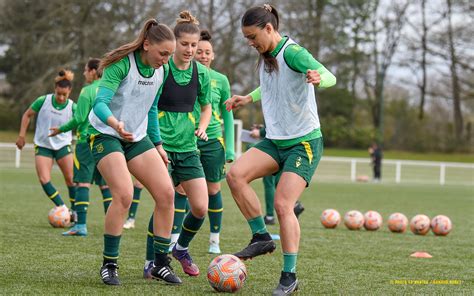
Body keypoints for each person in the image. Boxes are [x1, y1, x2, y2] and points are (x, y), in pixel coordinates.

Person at [224, 4, 336, 295]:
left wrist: (318, 78)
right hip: (276, 140)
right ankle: (261, 236)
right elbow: (273, 85)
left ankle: (289, 276)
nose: (250, 43)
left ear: (269, 29)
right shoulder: (266, 55)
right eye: (246, 38)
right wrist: (248, 98)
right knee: (235, 175)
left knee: (284, 205)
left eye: (252, 36)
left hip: (303, 143)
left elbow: (328, 75)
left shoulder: (293, 53)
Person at [88, 19, 181, 286]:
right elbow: (100, 104)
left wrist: (159, 145)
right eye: (162, 53)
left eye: (169, 55)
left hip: (136, 137)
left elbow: (150, 109)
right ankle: (109, 264)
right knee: (125, 194)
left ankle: (160, 264)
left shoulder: (161, 72)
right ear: (147, 44)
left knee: (166, 194)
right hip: (105, 134)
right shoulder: (121, 65)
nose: (165, 60)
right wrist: (115, 123)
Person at [144, 11, 212, 278]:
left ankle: (181, 247)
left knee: (200, 207)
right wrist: (156, 142)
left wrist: (203, 127)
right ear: (174, 43)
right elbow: (149, 107)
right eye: (184, 44)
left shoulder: (202, 73)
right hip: (161, 148)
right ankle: (151, 260)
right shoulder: (162, 69)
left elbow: (206, 107)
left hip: (188, 149)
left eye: (194, 45)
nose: (190, 50)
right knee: (164, 203)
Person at [49, 59, 113, 236]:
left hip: (87, 141)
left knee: (83, 183)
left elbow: (78, 119)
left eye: (86, 70)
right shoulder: (111, 88)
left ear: (93, 71)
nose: (84, 74)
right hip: (107, 142)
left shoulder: (88, 91)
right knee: (105, 185)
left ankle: (80, 226)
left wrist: (60, 129)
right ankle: (113, 223)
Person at [16, 70, 77, 221]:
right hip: (43, 146)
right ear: (55, 89)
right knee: (44, 179)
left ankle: (75, 212)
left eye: (65, 94)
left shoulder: (73, 107)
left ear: (69, 91)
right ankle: (62, 208)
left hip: (63, 145)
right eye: (59, 94)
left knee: (71, 180)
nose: (62, 97)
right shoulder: (43, 101)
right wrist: (22, 135)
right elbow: (27, 115)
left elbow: (81, 122)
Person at [194, 29, 235, 254]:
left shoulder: (221, 80)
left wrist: (230, 148)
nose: (203, 55)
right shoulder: (184, 75)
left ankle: (214, 240)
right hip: (186, 139)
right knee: (181, 189)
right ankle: (174, 237)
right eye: (199, 51)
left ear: (213, 54)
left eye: (207, 52)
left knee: (213, 189)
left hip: (212, 141)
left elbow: (228, 115)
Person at [249, 125, 305, 226]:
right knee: (279, 180)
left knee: (269, 181)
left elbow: (278, 124)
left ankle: (270, 216)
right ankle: (294, 204)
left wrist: (260, 132)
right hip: (289, 145)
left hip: (279, 146)